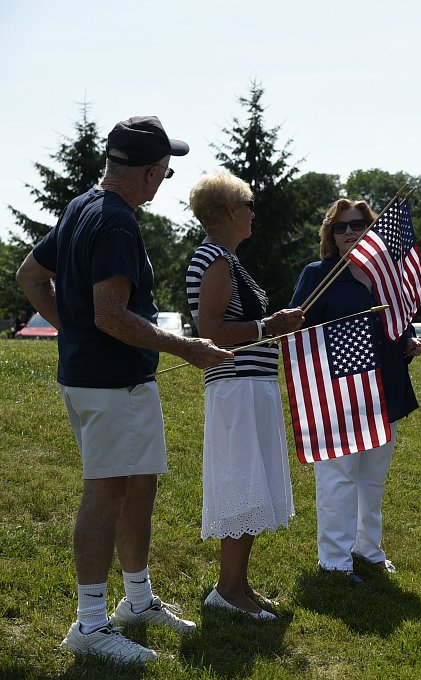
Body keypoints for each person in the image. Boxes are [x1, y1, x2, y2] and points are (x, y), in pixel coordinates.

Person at [15, 116, 232, 664]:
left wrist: (75, 329)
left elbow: (29, 277)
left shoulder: (82, 206)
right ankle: (90, 624)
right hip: (111, 385)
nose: (165, 180)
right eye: (166, 169)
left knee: (140, 486)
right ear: (152, 171)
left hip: (117, 381)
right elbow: (110, 315)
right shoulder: (114, 223)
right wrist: (190, 349)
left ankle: (136, 602)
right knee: (106, 493)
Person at [185, 172, 305, 618]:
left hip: (250, 385)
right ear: (231, 211)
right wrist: (269, 326)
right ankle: (227, 590)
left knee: (251, 485)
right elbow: (211, 332)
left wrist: (271, 325)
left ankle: (238, 585)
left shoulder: (228, 259)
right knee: (241, 484)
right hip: (235, 387)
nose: (254, 212)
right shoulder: (216, 259)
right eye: (249, 204)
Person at [291, 198, 421, 580]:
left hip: (388, 392)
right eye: (341, 227)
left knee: (372, 477)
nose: (350, 232)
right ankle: (334, 559)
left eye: (358, 225)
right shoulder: (318, 275)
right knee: (338, 476)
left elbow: (401, 323)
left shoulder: (387, 276)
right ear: (330, 235)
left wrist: (409, 342)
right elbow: (298, 332)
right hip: (340, 397)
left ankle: (367, 548)